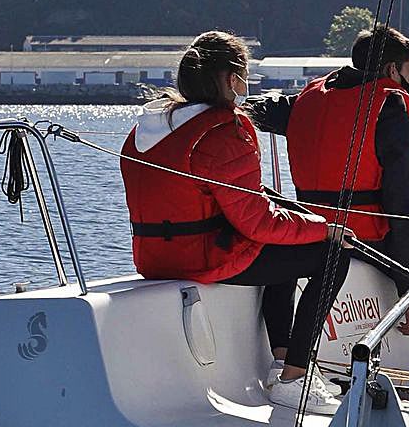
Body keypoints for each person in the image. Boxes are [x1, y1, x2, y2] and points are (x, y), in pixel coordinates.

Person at [120, 30, 350, 408]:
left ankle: (281, 356)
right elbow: (258, 225)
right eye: (244, 72)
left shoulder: (145, 129)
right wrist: (324, 228)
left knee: (288, 243)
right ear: (231, 79)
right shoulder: (225, 131)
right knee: (330, 254)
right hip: (204, 259)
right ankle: (294, 377)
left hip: (152, 258)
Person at [246, 26, 409, 336]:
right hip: (362, 240)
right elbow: (401, 207)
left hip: (311, 232)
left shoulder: (306, 98)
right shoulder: (389, 106)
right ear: (391, 69)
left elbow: (254, 110)